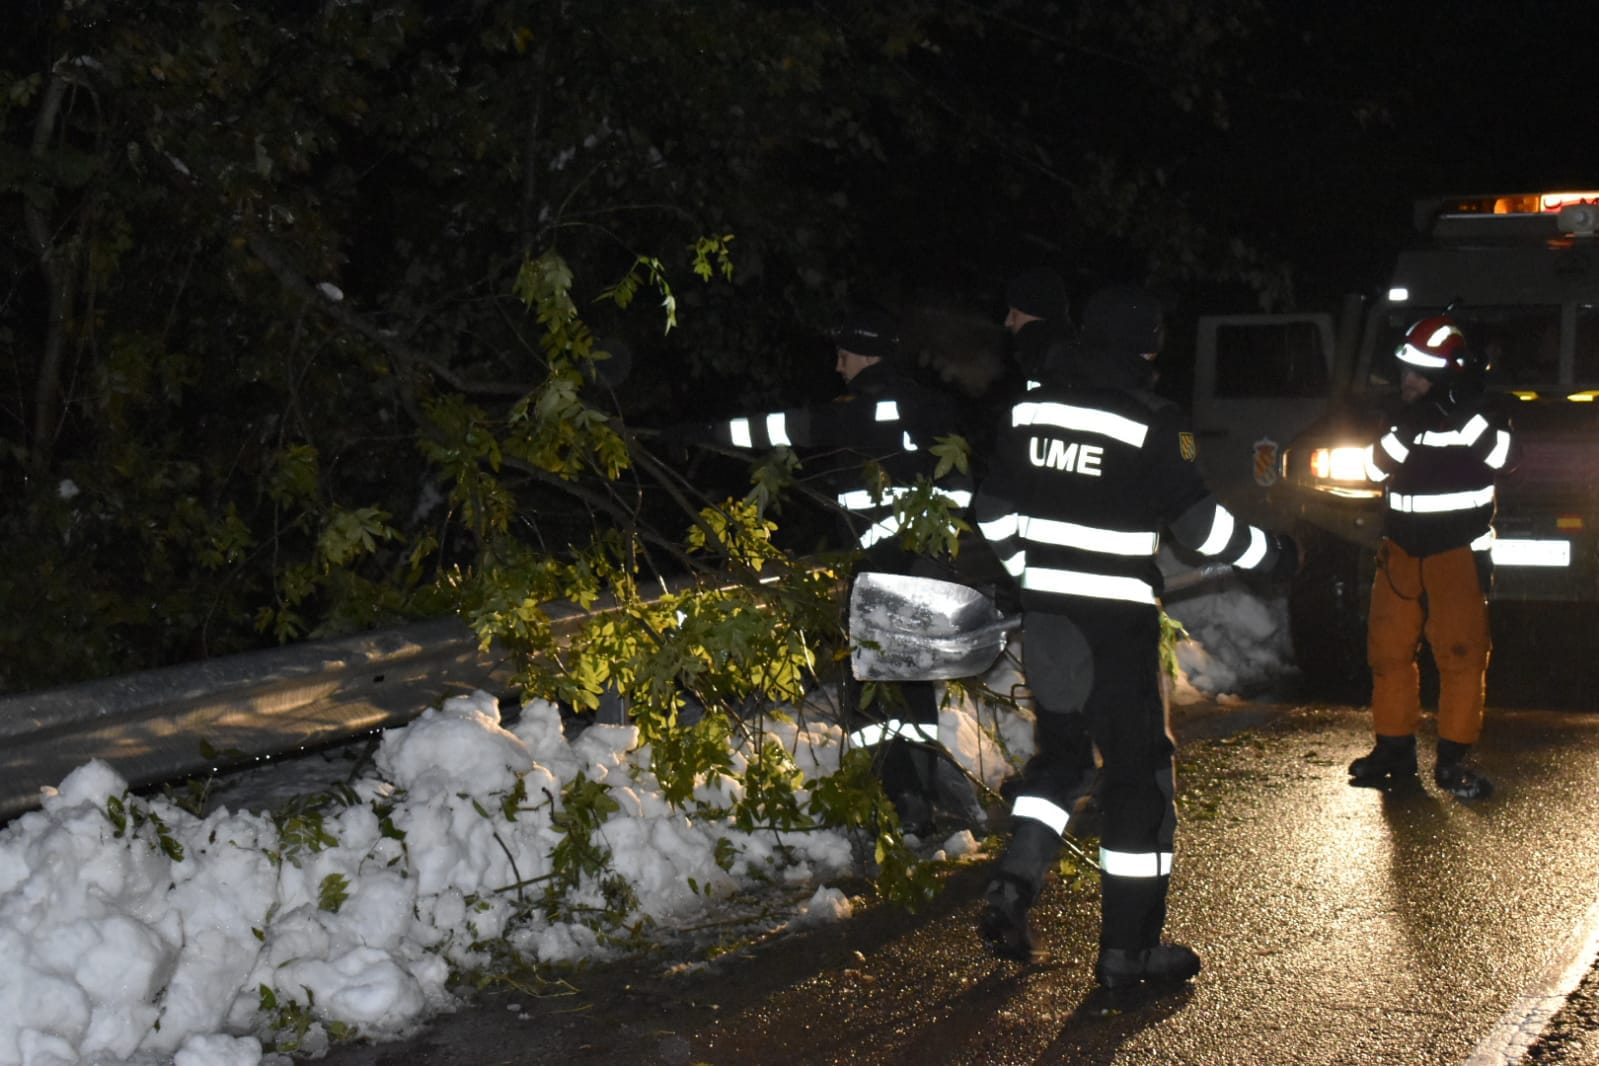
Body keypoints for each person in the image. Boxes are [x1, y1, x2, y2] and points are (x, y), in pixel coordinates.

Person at [972, 283, 1298, 987]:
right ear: (1148, 347)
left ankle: (1013, 884)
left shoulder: (1026, 410)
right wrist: (1271, 556)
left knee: (1060, 759)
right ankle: (1128, 952)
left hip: (1047, 619)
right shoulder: (1153, 420)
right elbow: (1200, 528)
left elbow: (991, 506)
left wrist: (1030, 571)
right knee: (1137, 782)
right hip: (1115, 627)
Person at [687, 308, 976, 832]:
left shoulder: (857, 410)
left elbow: (779, 427)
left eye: (843, 355)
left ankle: (900, 800)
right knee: (912, 684)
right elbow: (963, 485)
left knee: (871, 691)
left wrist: (702, 433)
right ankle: (922, 784)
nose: (838, 366)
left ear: (865, 354)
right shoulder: (934, 407)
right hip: (930, 563)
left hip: (884, 567)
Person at [1348, 314, 1513, 799]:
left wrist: (1463, 416)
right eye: (1405, 372)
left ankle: (1454, 761)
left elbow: (1508, 460)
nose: (1408, 382)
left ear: (1446, 374)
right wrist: (1407, 427)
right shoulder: (1399, 415)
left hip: (1456, 555)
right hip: (1400, 553)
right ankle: (1393, 750)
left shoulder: (1484, 411)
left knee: (1460, 658)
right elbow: (1371, 468)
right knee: (1387, 654)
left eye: (1419, 374)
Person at [1003, 267, 1075, 393]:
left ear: (1036, 314)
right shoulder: (1060, 360)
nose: (1008, 322)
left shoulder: (1052, 367)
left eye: (1014, 314)